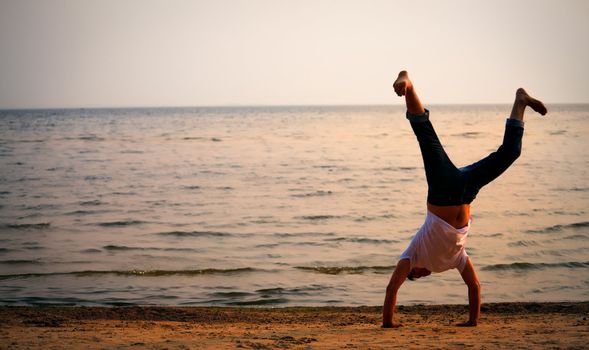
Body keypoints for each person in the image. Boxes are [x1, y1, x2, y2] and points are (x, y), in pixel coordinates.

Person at [382, 70, 547, 328]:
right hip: (467, 190)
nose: (421, 275)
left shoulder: (412, 255)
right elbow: (474, 285)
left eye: (414, 275)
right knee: (510, 153)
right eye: (418, 275)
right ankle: (520, 101)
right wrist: (473, 322)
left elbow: (392, 287)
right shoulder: (453, 259)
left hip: (443, 190)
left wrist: (388, 324)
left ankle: (408, 83)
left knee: (426, 137)